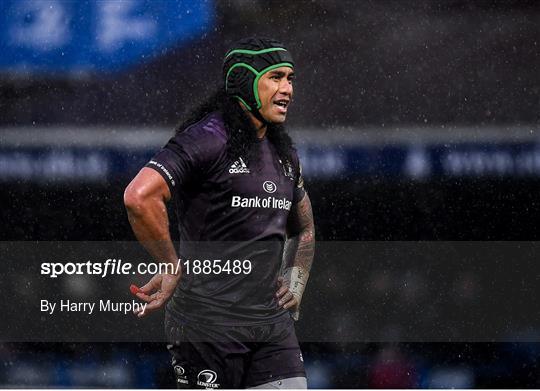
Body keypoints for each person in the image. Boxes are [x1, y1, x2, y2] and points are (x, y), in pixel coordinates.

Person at [124, 37, 315, 389]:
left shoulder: (285, 152)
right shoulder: (207, 138)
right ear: (243, 80)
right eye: (275, 77)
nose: (287, 88)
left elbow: (303, 228)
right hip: (207, 325)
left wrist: (296, 280)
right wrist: (170, 264)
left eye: (290, 78)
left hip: (270, 324)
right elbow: (139, 197)